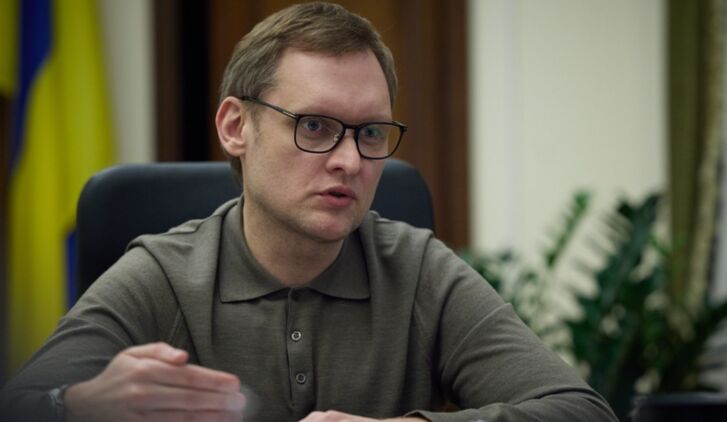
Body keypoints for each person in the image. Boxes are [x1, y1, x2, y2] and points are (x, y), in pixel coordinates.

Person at [1, 3, 617, 421]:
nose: (349, 161)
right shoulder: (163, 276)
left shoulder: (418, 270)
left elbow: (582, 411)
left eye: (370, 133)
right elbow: (18, 405)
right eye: (316, 126)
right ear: (236, 127)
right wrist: (78, 406)